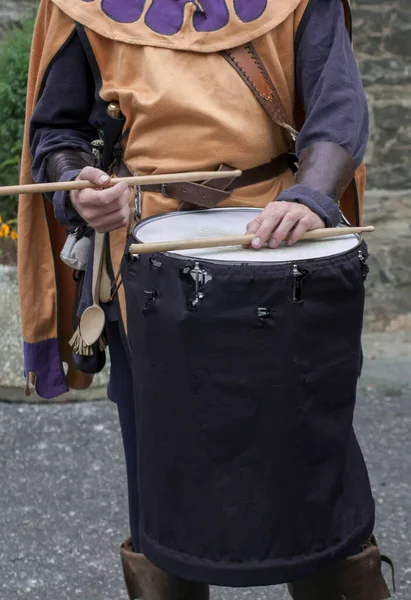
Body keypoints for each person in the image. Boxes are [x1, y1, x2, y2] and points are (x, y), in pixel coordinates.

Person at [18, 0, 393, 598]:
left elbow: (337, 108)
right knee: (163, 474)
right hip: (142, 265)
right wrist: (79, 187)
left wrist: (311, 196)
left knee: (312, 460)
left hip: (275, 250)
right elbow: (57, 132)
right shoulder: (82, 7)